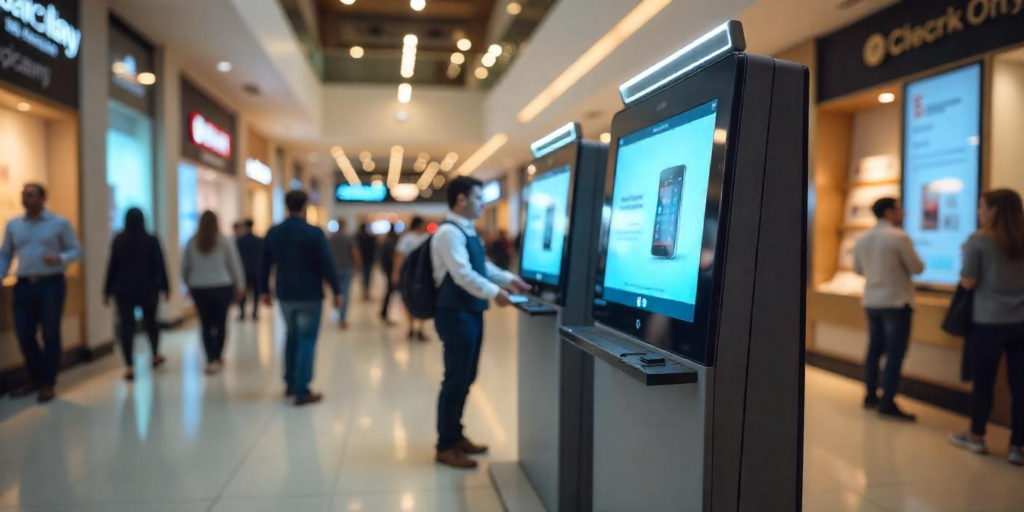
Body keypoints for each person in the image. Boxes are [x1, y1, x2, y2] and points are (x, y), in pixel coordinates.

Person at [431, 176, 530, 468]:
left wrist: (510, 279)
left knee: (466, 377)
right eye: (477, 198)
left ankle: (456, 434)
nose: (483, 204)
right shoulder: (448, 233)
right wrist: (496, 292)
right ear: (461, 199)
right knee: (455, 379)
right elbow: (462, 274)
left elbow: (481, 266)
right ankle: (444, 445)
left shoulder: (466, 230)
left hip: (471, 311)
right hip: (455, 313)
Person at [949, 189, 1024, 467]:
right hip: (1021, 322)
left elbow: (968, 281)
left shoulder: (978, 241)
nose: (979, 211)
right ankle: (1017, 446)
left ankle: (977, 436)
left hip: (987, 321)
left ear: (993, 210)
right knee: (1020, 386)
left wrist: (964, 257)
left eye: (982, 206)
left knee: (984, 382)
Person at [0, 184, 82, 403]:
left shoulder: (59, 223)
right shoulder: (14, 225)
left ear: (43, 198)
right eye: (23, 195)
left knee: (50, 333)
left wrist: (60, 259)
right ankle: (34, 377)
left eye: (30, 195)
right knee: (24, 333)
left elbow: (76, 251)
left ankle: (48, 383)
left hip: (51, 285)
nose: (26, 199)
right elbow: (6, 254)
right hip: (24, 284)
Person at [260, 190, 342, 406]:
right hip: (310, 293)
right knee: (306, 339)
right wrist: (336, 290)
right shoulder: (313, 233)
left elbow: (264, 264)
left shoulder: (274, 232)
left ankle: (289, 382)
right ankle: (302, 389)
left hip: (285, 293)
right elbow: (326, 264)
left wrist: (263, 291)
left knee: (291, 336)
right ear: (305, 206)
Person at [853, 197, 925, 421]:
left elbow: (857, 269)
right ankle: (888, 402)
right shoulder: (899, 237)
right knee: (895, 354)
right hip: (896, 302)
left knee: (875, 348)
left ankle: (870, 395)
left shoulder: (863, 238)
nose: (902, 213)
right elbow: (917, 267)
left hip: (872, 300)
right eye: (899, 209)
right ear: (888, 212)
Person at [103, 208, 170, 381]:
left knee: (127, 327)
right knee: (151, 323)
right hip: (147, 288)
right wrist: (166, 287)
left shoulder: (119, 240)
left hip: (124, 289)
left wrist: (107, 290)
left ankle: (129, 366)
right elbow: (160, 265)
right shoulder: (151, 240)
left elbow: (112, 267)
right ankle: (154, 355)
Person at [182, 211, 245, 375]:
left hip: (199, 288)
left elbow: (184, 267)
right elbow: (234, 265)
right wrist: (240, 286)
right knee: (221, 323)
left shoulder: (192, 242)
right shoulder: (224, 241)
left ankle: (210, 359)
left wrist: (187, 283)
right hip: (221, 287)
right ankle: (217, 355)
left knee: (205, 324)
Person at [392, 216, 431, 340]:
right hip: (412, 273)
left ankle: (420, 328)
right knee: (410, 298)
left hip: (423, 273)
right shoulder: (408, 238)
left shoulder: (426, 237)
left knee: (423, 300)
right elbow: (399, 256)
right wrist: (396, 272)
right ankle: (411, 327)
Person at [328, 218, 362, 329]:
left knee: (336, 291)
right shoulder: (349, 239)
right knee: (345, 293)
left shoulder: (331, 239)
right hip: (347, 268)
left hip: (334, 268)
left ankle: (337, 306)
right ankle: (342, 318)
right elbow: (355, 253)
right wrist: (358, 266)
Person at [235, 219, 264, 321]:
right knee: (255, 293)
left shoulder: (239, 241)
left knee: (243, 292)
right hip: (256, 270)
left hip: (243, 270)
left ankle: (242, 313)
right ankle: (255, 313)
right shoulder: (259, 241)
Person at [378, 225, 400, 325]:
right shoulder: (394, 242)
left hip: (388, 270)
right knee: (392, 291)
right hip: (393, 271)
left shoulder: (386, 242)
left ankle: (384, 312)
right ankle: (384, 313)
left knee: (389, 291)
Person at [357, 222, 377, 300]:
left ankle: (365, 290)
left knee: (363, 276)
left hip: (363, 259)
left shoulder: (358, 238)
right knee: (367, 276)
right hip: (369, 259)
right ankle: (366, 291)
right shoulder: (370, 238)